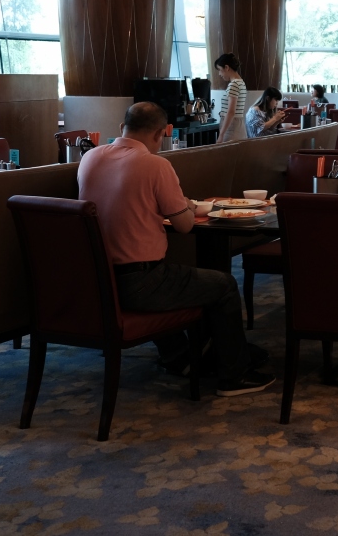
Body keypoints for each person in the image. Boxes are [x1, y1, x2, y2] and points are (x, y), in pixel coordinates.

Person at [77, 101, 274, 396]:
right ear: (161, 133)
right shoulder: (155, 165)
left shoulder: (90, 157)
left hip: (98, 281)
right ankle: (235, 375)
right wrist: (187, 206)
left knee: (185, 280)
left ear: (121, 128)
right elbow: (183, 225)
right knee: (222, 285)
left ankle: (182, 356)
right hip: (141, 283)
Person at [215, 53, 247, 142]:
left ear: (226, 67)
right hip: (238, 126)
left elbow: (231, 112)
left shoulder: (234, 84)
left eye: (219, 70)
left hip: (231, 127)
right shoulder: (241, 82)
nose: (219, 74)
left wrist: (221, 134)